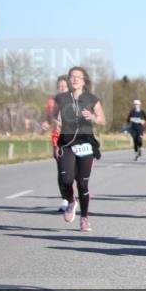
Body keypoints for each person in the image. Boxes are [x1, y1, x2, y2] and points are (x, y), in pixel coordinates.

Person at [53, 66, 107, 232]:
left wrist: (92, 117)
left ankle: (84, 218)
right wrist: (53, 122)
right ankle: (70, 201)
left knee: (83, 184)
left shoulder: (91, 98)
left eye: (78, 77)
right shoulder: (61, 98)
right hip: (67, 144)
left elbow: (102, 120)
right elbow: (53, 117)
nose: (75, 79)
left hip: (85, 144)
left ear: (84, 80)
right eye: (72, 76)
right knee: (66, 179)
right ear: (69, 80)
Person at [45, 75, 70, 212]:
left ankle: (75, 195)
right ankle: (65, 199)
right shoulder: (52, 103)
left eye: (64, 86)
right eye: (60, 86)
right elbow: (49, 120)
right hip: (58, 140)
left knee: (73, 172)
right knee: (61, 172)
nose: (62, 89)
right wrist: (46, 123)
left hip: (72, 140)